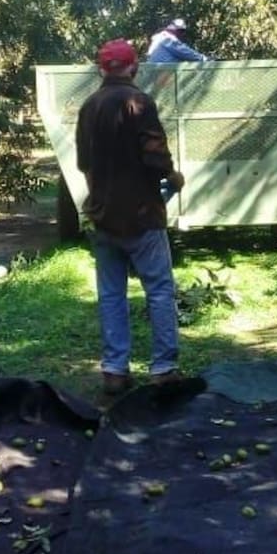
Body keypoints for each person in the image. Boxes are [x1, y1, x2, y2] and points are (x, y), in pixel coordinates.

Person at [76, 38, 185, 394]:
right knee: (159, 290)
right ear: (134, 67)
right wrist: (173, 177)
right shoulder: (140, 102)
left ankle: (114, 372)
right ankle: (164, 368)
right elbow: (154, 155)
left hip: (104, 215)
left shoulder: (89, 107)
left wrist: (98, 203)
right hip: (141, 215)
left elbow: (85, 165)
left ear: (101, 69)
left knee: (111, 294)